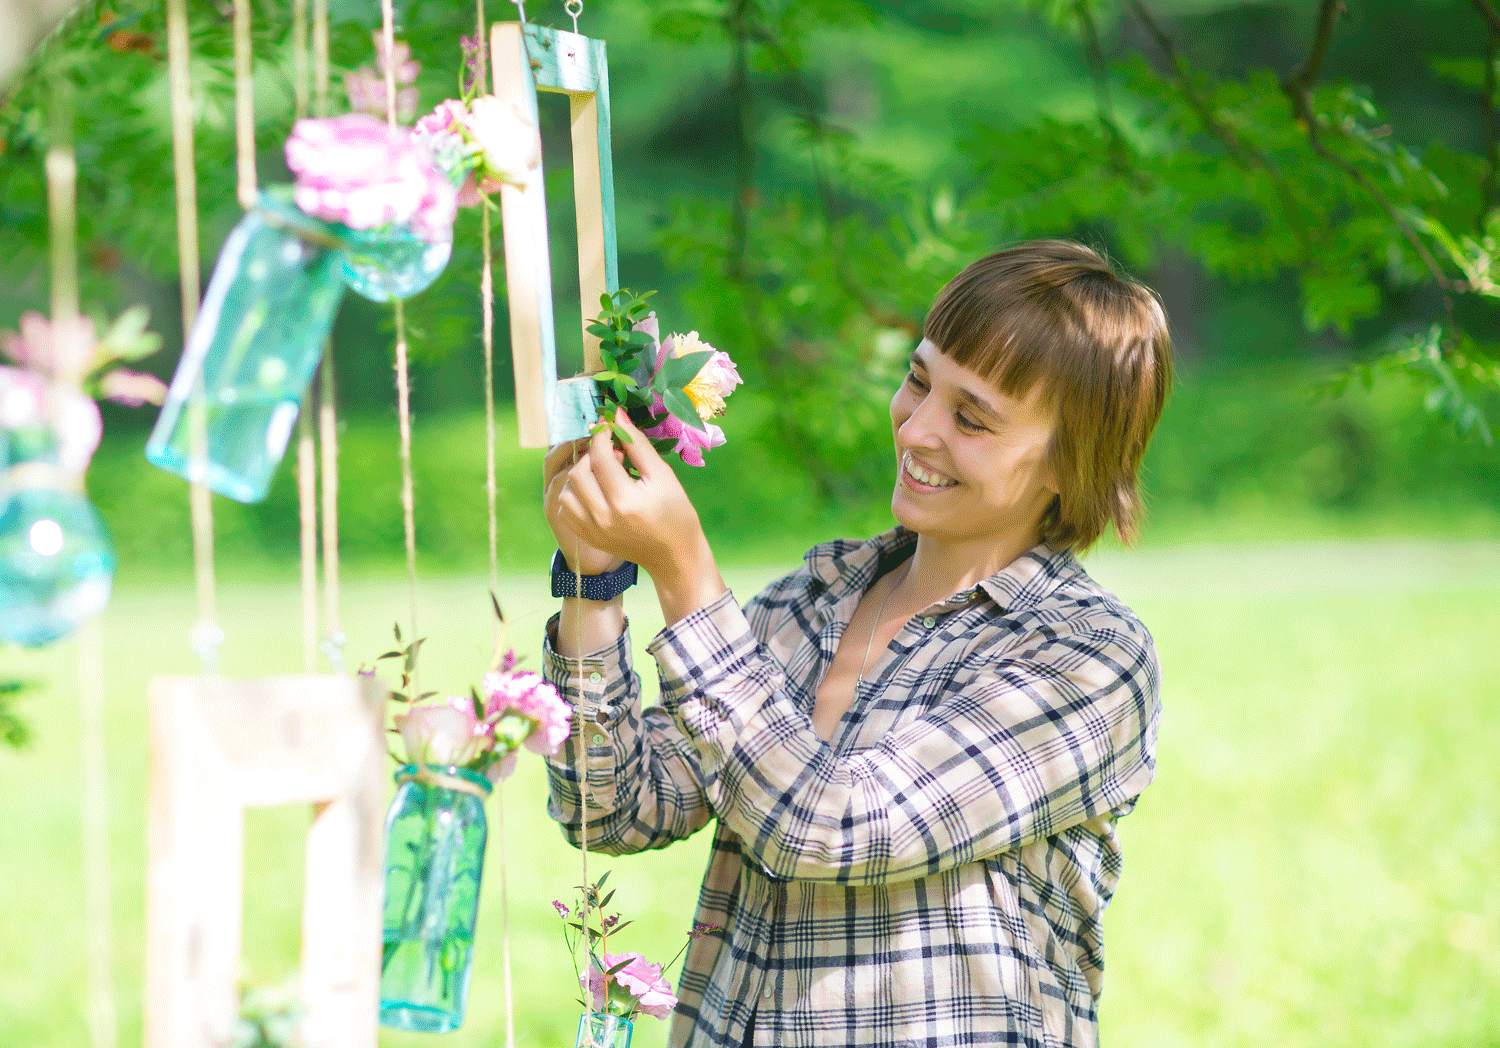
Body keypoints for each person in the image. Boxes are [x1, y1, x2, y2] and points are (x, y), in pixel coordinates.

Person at [539, 239, 1173, 1048]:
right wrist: (594, 584)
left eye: (971, 418)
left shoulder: (1086, 658)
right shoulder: (807, 605)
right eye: (918, 380)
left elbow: (830, 825)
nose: (917, 429)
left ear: (1070, 464)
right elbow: (612, 810)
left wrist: (685, 570)